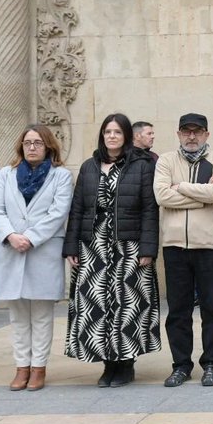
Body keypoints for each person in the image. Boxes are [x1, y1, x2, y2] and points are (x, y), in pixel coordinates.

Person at [63, 114, 161, 388]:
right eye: (108, 131)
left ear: (127, 136)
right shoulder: (89, 166)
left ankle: (125, 364)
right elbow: (78, 208)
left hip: (128, 245)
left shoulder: (141, 166)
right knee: (96, 306)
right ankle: (107, 364)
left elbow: (149, 210)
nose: (112, 136)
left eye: (117, 132)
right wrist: (71, 246)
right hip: (93, 246)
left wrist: (148, 248)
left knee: (126, 305)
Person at [0, 125, 73, 392]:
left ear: (48, 146)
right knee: (18, 317)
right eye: (27, 142)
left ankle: (38, 368)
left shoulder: (61, 176)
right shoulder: (6, 174)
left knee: (42, 316)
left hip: (43, 251)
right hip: (12, 250)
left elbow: (58, 213)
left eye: (37, 142)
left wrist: (31, 237)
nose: (32, 147)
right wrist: (11, 235)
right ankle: (21, 366)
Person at [154, 113, 213, 388]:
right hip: (175, 247)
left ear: (206, 135)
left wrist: (182, 188)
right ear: (178, 134)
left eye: (197, 132)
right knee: (178, 311)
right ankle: (181, 365)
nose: (191, 137)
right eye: (186, 131)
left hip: (210, 246)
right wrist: (201, 198)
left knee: (212, 310)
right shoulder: (165, 160)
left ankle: (211, 364)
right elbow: (161, 196)